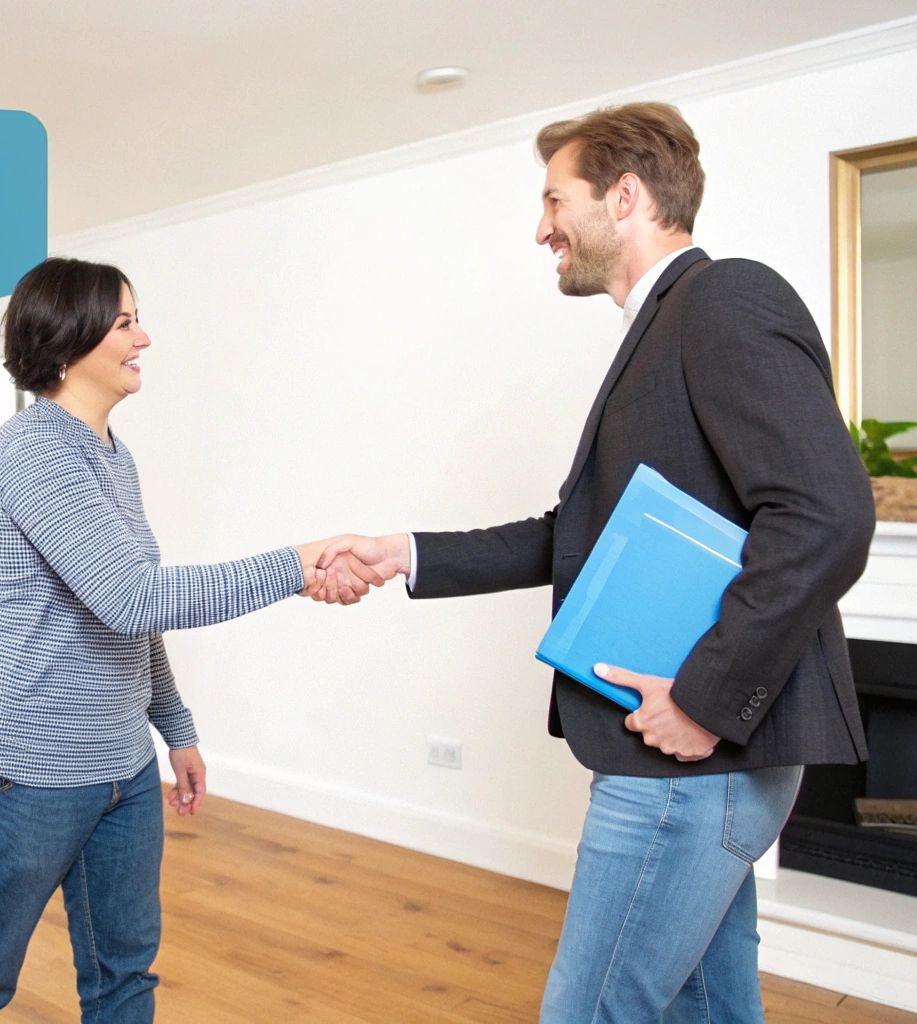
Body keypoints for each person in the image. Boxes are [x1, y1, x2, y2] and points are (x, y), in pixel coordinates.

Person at [317, 102, 875, 1022]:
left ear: (625, 198)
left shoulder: (724, 298)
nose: (541, 228)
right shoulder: (666, 325)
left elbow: (827, 513)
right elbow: (573, 533)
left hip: (693, 763)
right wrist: (402, 554)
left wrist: (702, 701)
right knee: (706, 1009)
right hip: (701, 766)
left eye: (553, 200)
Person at [0, 256, 380, 1024]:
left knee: (125, 977)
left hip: (122, 773)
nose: (144, 338)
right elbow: (133, 597)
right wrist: (296, 564)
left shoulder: (112, 458)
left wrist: (176, 731)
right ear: (72, 337)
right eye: (126, 323)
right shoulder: (33, 449)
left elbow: (126, 614)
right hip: (27, 773)